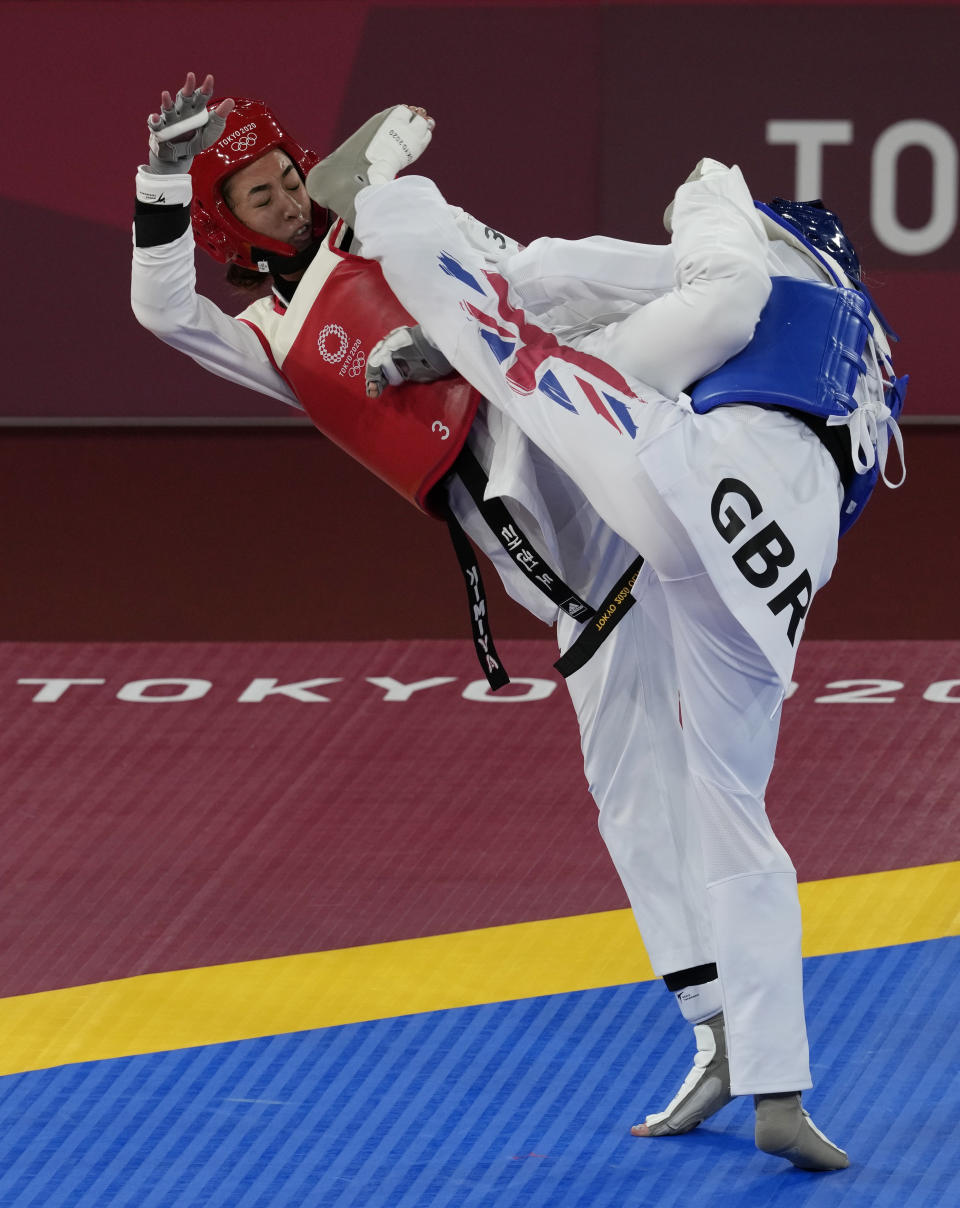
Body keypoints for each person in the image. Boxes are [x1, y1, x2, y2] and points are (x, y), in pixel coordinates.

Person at [132, 74, 902, 1170]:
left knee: (569, 283)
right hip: (543, 546)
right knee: (631, 783)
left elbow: (541, 288)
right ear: (227, 228)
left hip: (559, 421)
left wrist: (441, 285)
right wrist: (159, 180)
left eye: (291, 179)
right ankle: (722, 1029)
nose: (289, 202)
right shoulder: (269, 336)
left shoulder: (394, 240)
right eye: (260, 197)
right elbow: (162, 310)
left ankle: (758, 285)